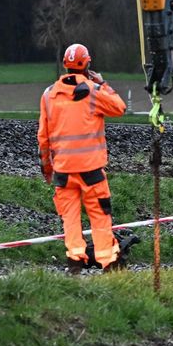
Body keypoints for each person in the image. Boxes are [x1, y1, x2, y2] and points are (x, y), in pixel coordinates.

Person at [37, 44, 128, 273]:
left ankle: (75, 262)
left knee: (70, 218)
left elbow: (43, 138)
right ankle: (109, 262)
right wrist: (103, 83)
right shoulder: (93, 91)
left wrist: (48, 169)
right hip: (91, 171)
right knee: (99, 216)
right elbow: (119, 107)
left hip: (63, 172)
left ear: (64, 65)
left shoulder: (49, 95)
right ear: (87, 64)